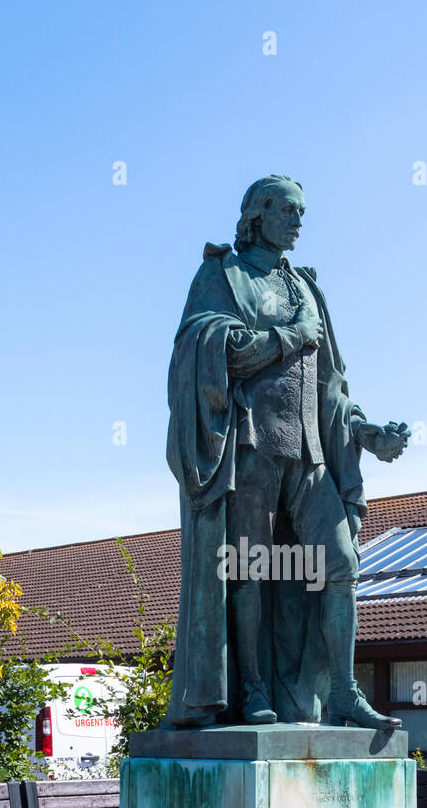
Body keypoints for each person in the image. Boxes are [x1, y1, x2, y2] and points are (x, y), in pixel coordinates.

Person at [165, 175, 410, 730]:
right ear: (259, 212)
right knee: (250, 570)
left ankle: (344, 693)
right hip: (252, 445)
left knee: (341, 566)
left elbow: (330, 385)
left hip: (311, 452)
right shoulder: (222, 274)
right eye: (290, 211)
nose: (300, 221)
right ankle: (251, 689)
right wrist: (287, 337)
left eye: (304, 212)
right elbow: (203, 348)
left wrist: (368, 433)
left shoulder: (307, 288)